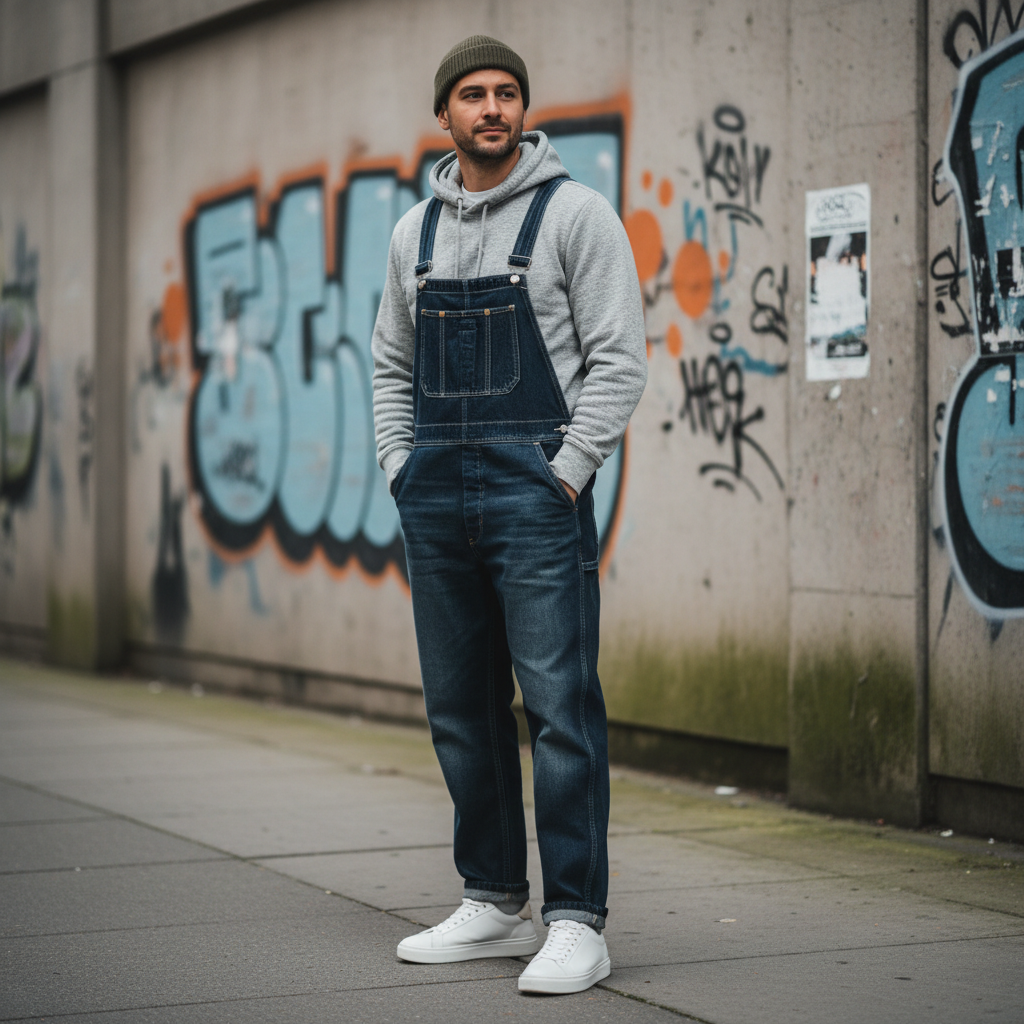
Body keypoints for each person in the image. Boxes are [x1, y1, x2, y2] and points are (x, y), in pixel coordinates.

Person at [371, 34, 647, 995]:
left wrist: (564, 474)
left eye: (506, 93)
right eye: (472, 95)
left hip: (536, 498)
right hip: (436, 499)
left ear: (522, 109)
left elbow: (620, 362)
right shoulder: (413, 234)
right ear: (442, 116)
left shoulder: (576, 215)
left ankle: (577, 921)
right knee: (462, 714)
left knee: (561, 712)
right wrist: (402, 469)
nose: (492, 108)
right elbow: (388, 366)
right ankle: (491, 901)